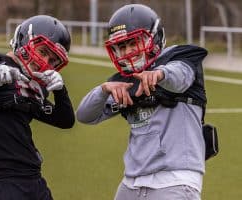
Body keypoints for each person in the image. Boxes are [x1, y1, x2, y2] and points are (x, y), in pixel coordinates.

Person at [76, 4, 208, 200]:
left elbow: (180, 76)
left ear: (155, 39)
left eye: (134, 43)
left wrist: (160, 74)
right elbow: (84, 116)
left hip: (175, 179)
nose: (129, 51)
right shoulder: (124, 81)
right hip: (132, 182)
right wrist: (103, 91)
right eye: (122, 46)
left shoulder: (179, 61)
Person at [0, 15, 75, 200]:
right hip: (2, 183)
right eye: (43, 51)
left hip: (34, 180)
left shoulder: (29, 85)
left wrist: (61, 91)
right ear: (25, 40)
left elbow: (65, 120)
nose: (45, 61)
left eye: (52, 59)